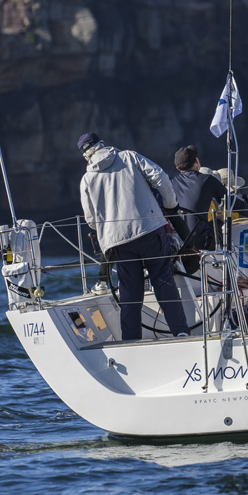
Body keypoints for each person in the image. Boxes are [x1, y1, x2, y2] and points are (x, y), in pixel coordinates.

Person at [77, 132, 189, 340]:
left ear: (86, 156)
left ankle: (131, 341)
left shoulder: (87, 180)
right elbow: (161, 178)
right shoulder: (129, 157)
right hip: (150, 230)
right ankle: (180, 332)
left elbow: (91, 220)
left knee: (129, 292)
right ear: (104, 144)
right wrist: (170, 205)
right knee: (163, 281)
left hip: (117, 241)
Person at [170, 145, 227, 251]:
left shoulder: (172, 185)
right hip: (202, 243)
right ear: (196, 162)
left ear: (178, 168)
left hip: (179, 244)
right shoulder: (208, 189)